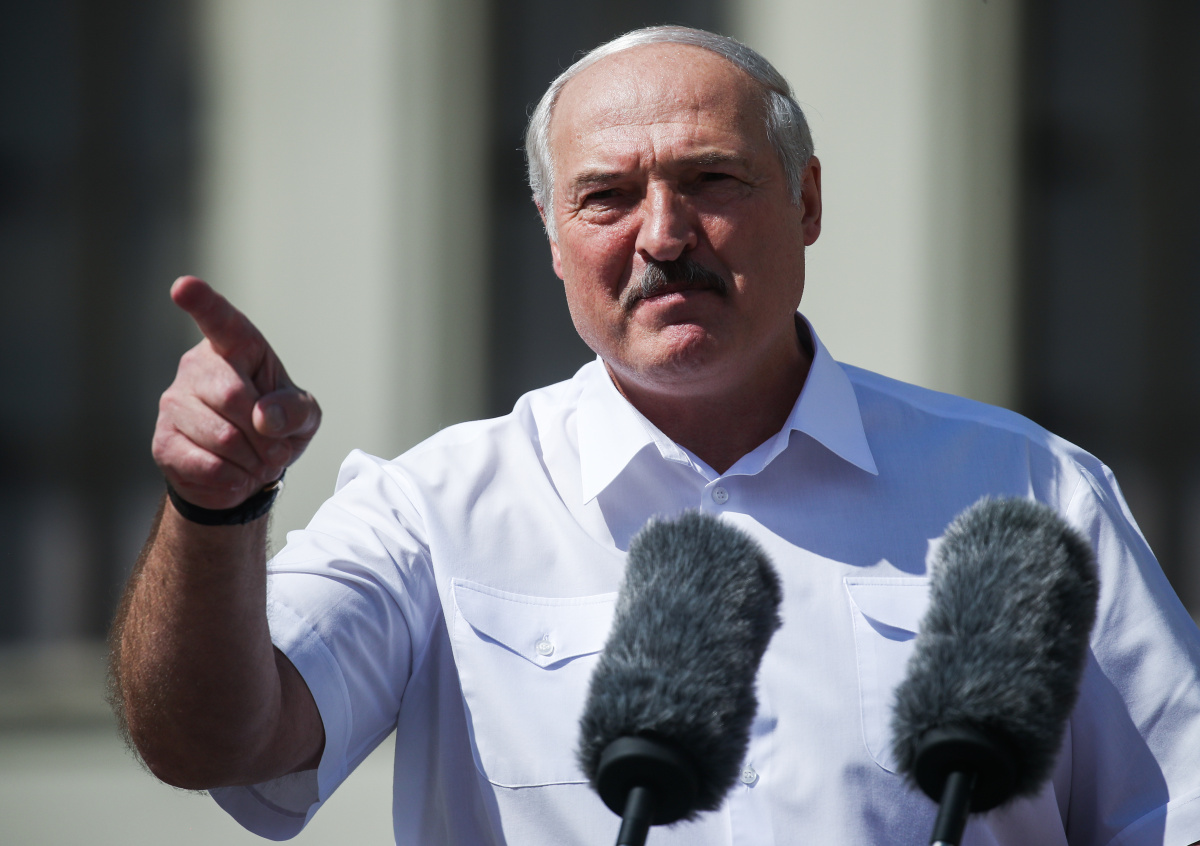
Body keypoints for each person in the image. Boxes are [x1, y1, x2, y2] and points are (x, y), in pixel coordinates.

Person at [111, 25, 1200, 845]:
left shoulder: (1026, 491)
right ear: (552, 237)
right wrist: (213, 512)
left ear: (807, 203)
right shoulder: (434, 510)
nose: (665, 236)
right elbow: (209, 743)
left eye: (711, 180)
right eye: (607, 197)